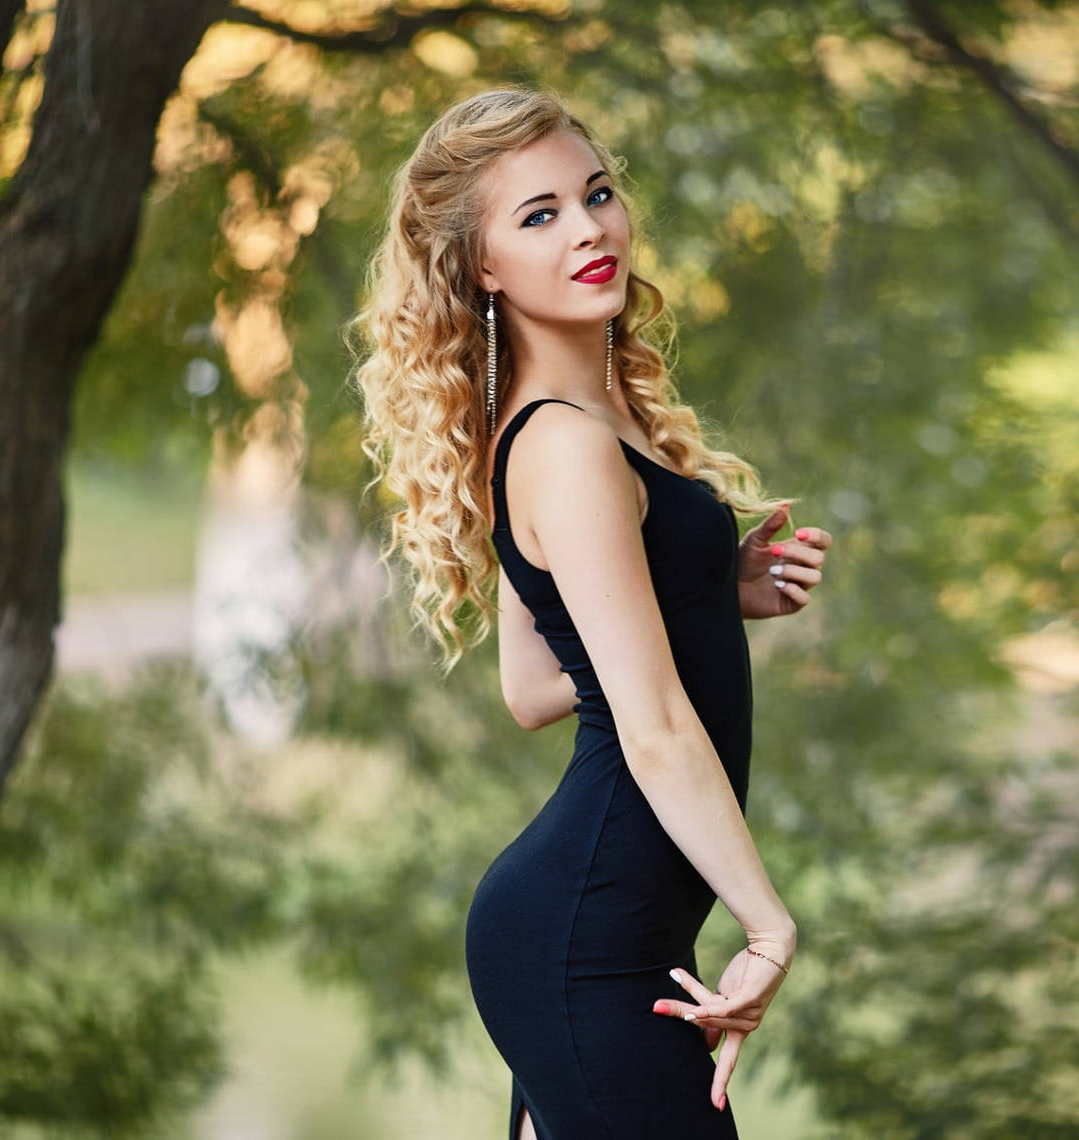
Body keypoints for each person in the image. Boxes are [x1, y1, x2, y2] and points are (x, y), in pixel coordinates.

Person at [349, 86, 832, 1139]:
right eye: (539, 215)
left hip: (593, 930)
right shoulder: (565, 444)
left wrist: (708, 596)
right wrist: (768, 924)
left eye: (596, 193)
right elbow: (652, 727)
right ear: (482, 266)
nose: (589, 229)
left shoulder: (575, 422)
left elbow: (532, 688)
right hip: (587, 939)